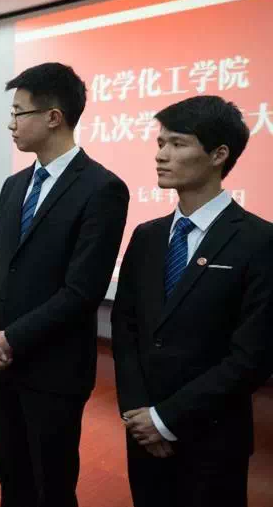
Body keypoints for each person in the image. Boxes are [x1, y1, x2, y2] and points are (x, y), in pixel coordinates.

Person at [0, 62, 129, 507]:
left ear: (53, 117)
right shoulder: (14, 185)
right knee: (10, 478)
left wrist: (12, 338)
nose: (11, 124)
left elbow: (83, 291)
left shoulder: (102, 188)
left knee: (52, 487)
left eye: (18, 112)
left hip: (53, 369)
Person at [111, 96, 273, 507]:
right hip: (142, 432)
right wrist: (139, 414)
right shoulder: (147, 235)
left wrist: (165, 419)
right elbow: (125, 328)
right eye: (160, 143)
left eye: (177, 143)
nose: (161, 155)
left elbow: (252, 357)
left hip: (213, 439)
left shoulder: (259, 241)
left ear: (219, 155)